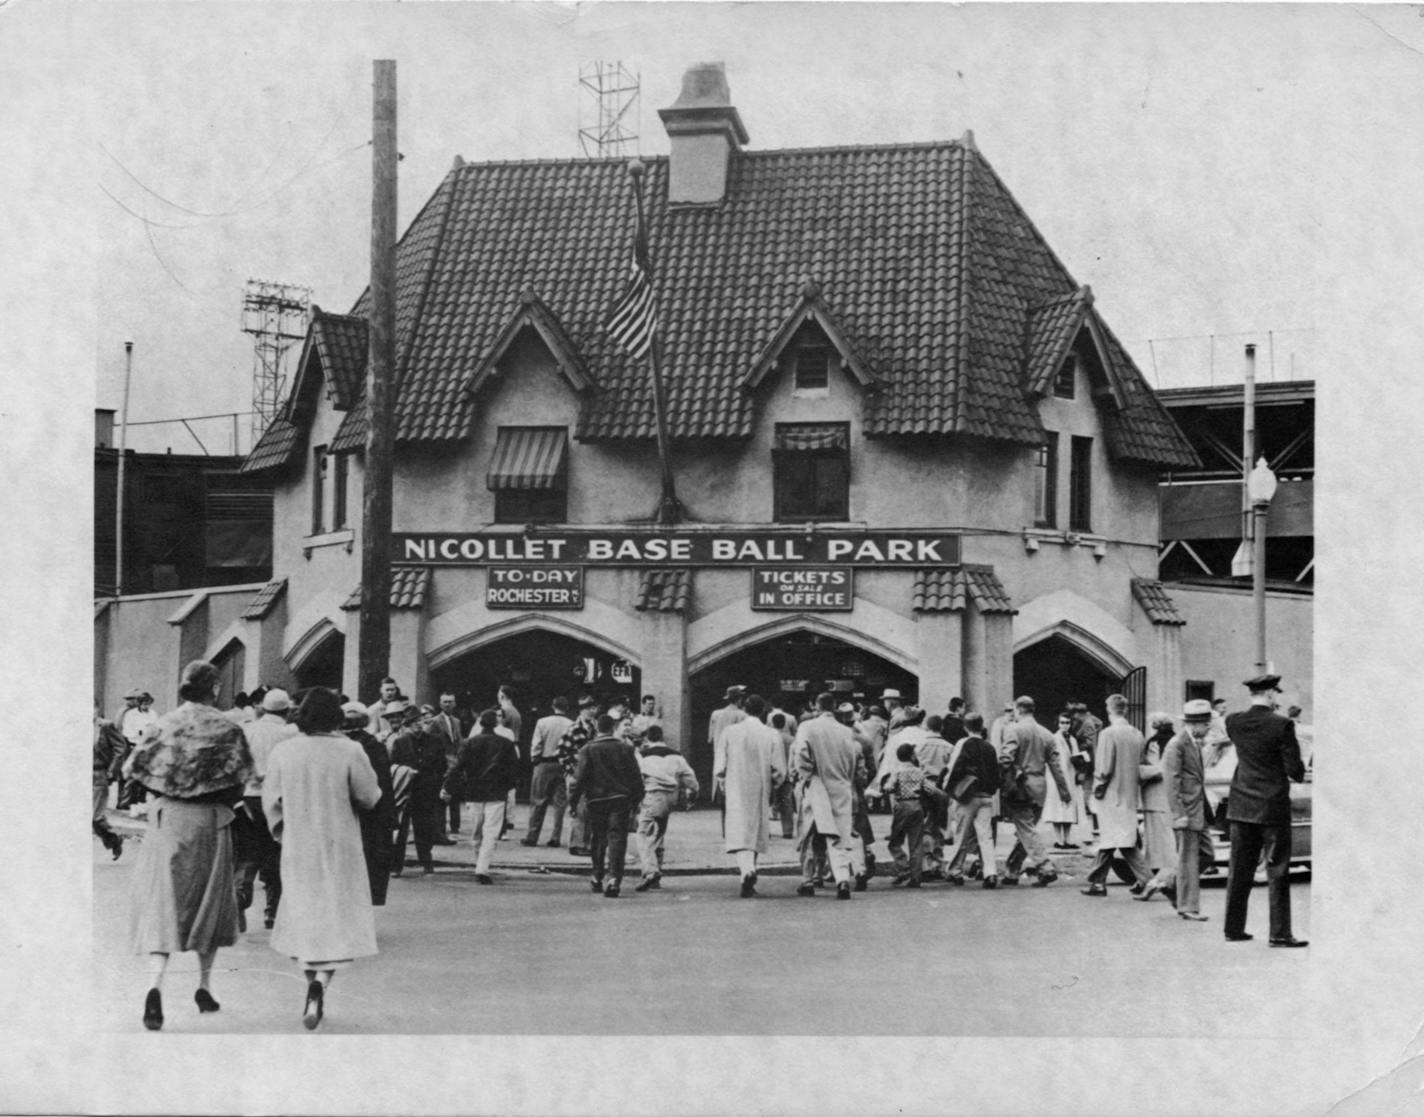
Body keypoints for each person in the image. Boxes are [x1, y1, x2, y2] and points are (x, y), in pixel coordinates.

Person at [124, 659, 254, 1031]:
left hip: (168, 818)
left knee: (163, 900)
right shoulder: (227, 727)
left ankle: (155, 984)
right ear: (213, 689)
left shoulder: (163, 724)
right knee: (209, 901)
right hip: (212, 818)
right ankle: (203, 985)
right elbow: (241, 779)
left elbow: (134, 768)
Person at [263, 688, 382, 1029]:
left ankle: (309, 981)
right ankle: (321, 985)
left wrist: (283, 833)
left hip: (299, 843)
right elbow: (369, 796)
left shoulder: (284, 751)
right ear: (337, 716)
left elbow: (272, 802)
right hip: (340, 842)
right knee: (336, 917)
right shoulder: (350, 749)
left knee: (304, 915)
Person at [1223, 673, 1308, 947]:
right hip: (1272, 806)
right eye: (1276, 694)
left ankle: (1233, 928)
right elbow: (1295, 771)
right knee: (1278, 869)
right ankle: (1279, 933)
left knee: (1239, 869)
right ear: (1271, 694)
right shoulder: (1282, 724)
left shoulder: (1233, 721)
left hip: (1241, 804)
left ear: (1252, 694)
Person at [1138, 699, 1215, 921]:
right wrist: (1178, 814)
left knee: (1206, 855)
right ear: (1195, 724)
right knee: (1189, 860)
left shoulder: (1193, 743)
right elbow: (1170, 782)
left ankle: (1168, 882)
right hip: (1186, 812)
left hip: (1197, 810)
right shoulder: (1177, 745)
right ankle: (1188, 907)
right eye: (1206, 723)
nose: (1209, 727)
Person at [233, 688, 298, 932]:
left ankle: (240, 898)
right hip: (278, 798)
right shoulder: (289, 733)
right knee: (276, 850)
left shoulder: (248, 729)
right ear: (287, 710)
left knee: (248, 853)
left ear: (264, 708)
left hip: (248, 796)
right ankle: (272, 911)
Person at [792, 692, 864, 899]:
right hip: (841, 786)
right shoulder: (845, 731)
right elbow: (852, 759)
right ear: (833, 707)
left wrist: (806, 777)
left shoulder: (807, 727)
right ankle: (842, 879)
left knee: (809, 834)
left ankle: (808, 880)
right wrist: (845, 780)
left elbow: (802, 755)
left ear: (816, 706)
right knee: (840, 835)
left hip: (816, 784)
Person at [1080, 694, 1153, 897]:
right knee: (1116, 839)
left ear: (1109, 709)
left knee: (1115, 840)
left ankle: (1147, 880)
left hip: (1110, 794)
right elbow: (1141, 764)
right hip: (1129, 794)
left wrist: (1097, 790)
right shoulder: (1137, 734)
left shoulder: (1108, 734)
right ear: (1126, 710)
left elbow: (1103, 768)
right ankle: (1098, 882)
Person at [714, 694, 785, 897]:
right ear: (763, 711)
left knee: (739, 831)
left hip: (735, 786)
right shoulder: (771, 734)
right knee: (754, 831)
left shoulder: (730, 732)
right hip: (761, 788)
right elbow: (779, 769)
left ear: (744, 709)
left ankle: (747, 871)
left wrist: (722, 783)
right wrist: (774, 785)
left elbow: (720, 765)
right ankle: (750, 870)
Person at [568, 714, 645, 898]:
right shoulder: (625, 748)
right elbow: (635, 777)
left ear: (596, 727)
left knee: (598, 838)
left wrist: (573, 802)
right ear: (613, 727)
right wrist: (636, 800)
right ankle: (614, 879)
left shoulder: (588, 749)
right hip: (620, 799)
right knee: (618, 838)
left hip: (596, 800)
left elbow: (578, 779)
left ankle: (597, 876)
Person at [998, 696, 1069, 887]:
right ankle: (1012, 870)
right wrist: (1064, 791)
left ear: (1018, 710)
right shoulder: (1047, 734)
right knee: (1027, 830)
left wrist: (1001, 777)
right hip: (1040, 787)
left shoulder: (1014, 729)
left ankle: (1045, 867)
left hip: (1020, 786)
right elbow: (1056, 766)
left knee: (1025, 829)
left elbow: (1006, 759)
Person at [443, 708, 520, 884]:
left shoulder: (469, 743)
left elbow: (457, 767)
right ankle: (482, 867)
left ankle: (480, 863)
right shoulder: (505, 744)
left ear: (479, 723)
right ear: (496, 723)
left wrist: (448, 786)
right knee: (491, 832)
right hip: (496, 792)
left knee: (477, 831)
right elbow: (514, 769)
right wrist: (508, 786)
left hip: (474, 792)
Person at [634, 725, 700, 891]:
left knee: (643, 834)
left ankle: (650, 871)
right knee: (658, 834)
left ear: (647, 739)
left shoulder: (642, 756)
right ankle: (656, 875)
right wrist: (693, 792)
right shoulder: (676, 756)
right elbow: (690, 778)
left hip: (652, 795)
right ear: (662, 737)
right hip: (671, 797)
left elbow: (636, 777)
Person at [342, 702, 395, 906]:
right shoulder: (374, 746)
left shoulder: (339, 745)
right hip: (371, 812)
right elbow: (384, 784)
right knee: (367, 862)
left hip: (344, 810)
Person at [943, 713, 1003, 887]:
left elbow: (953, 768)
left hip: (968, 795)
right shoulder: (989, 747)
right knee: (985, 836)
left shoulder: (963, 743)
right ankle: (990, 873)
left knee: (961, 834)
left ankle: (955, 870)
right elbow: (996, 773)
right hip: (986, 796)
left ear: (965, 727)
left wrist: (950, 789)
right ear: (981, 725)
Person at [387, 700, 446, 875]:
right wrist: (405, 773)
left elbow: (441, 765)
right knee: (400, 831)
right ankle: (396, 866)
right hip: (405, 791)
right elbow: (393, 767)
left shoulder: (434, 741)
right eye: (412, 724)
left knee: (425, 829)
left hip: (426, 791)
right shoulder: (400, 743)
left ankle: (426, 861)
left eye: (419, 722)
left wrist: (434, 783)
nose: (417, 727)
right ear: (406, 726)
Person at [524, 696, 574, 847]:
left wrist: (535, 757)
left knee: (538, 800)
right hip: (562, 764)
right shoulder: (571, 724)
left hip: (544, 763)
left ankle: (532, 836)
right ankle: (555, 837)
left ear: (553, 706)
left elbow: (536, 743)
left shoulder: (542, 722)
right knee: (560, 802)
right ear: (567, 708)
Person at [883, 743, 932, 888]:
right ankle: (916, 877)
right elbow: (929, 789)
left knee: (895, 841)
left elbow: (889, 787)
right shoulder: (919, 771)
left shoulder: (897, 771)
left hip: (902, 806)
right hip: (917, 806)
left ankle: (904, 868)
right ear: (911, 755)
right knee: (916, 843)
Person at [558, 695, 600, 855]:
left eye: (593, 708)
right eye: (588, 708)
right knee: (578, 809)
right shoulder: (573, 728)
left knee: (587, 808)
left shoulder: (594, 728)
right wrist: (572, 771)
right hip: (577, 774)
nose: (591, 711)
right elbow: (562, 752)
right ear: (582, 710)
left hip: (590, 774)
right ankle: (577, 844)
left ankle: (585, 843)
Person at [1139, 712, 1176, 882]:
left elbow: (1158, 768)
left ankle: (1161, 876)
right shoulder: (1176, 740)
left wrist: (1140, 772)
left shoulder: (1154, 743)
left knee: (1158, 839)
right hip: (1171, 795)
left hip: (1155, 794)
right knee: (1168, 837)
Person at [430, 692, 470, 839]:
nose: (448, 704)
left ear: (455, 704)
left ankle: (455, 828)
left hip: (456, 763)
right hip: (442, 762)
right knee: (442, 796)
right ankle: (440, 829)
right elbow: (430, 740)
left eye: (450, 702)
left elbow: (459, 740)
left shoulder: (457, 721)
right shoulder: (434, 722)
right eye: (445, 702)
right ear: (440, 704)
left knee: (455, 796)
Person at [1042, 710, 1084, 850]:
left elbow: (1076, 756)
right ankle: (1058, 840)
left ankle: (1067, 839)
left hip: (1070, 775)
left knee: (1069, 810)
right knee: (1057, 808)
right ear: (1058, 724)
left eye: (1067, 723)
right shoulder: (1053, 739)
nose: (1065, 725)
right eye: (1062, 723)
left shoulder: (1072, 740)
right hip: (1057, 778)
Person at [93, 703, 128, 860]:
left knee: (95, 817)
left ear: (96, 709)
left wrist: (112, 770)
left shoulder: (105, 726)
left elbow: (120, 748)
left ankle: (113, 839)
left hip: (98, 773)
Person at [709, 685, 747, 802]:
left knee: (720, 778)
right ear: (739, 699)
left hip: (719, 752)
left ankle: (718, 797)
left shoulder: (716, 714)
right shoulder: (742, 715)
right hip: (735, 754)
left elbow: (710, 738)